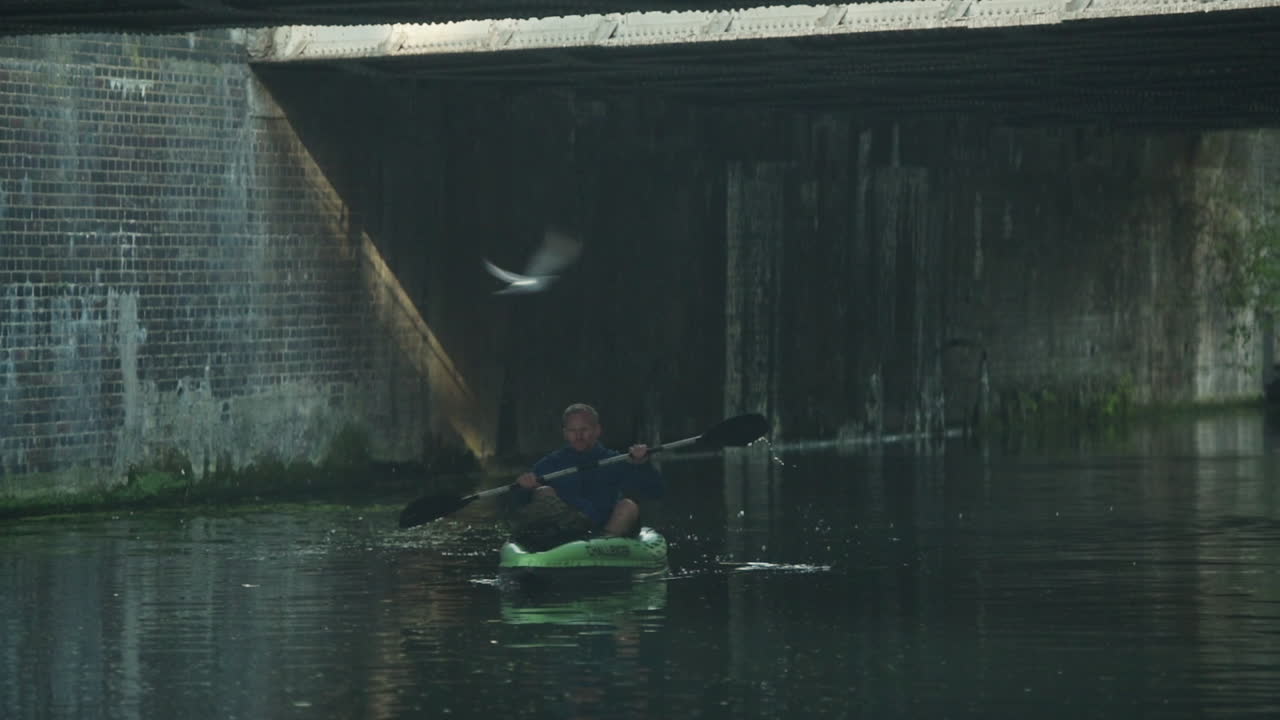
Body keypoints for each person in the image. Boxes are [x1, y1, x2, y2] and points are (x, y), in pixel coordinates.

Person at [506, 403, 664, 550]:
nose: (579, 436)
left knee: (628, 506)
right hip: (565, 529)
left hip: (605, 529)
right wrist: (524, 488)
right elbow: (516, 504)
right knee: (543, 492)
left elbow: (656, 492)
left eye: (584, 429)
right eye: (572, 431)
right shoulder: (550, 463)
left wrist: (642, 464)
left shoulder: (616, 461)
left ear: (597, 430)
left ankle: (603, 546)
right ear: (565, 433)